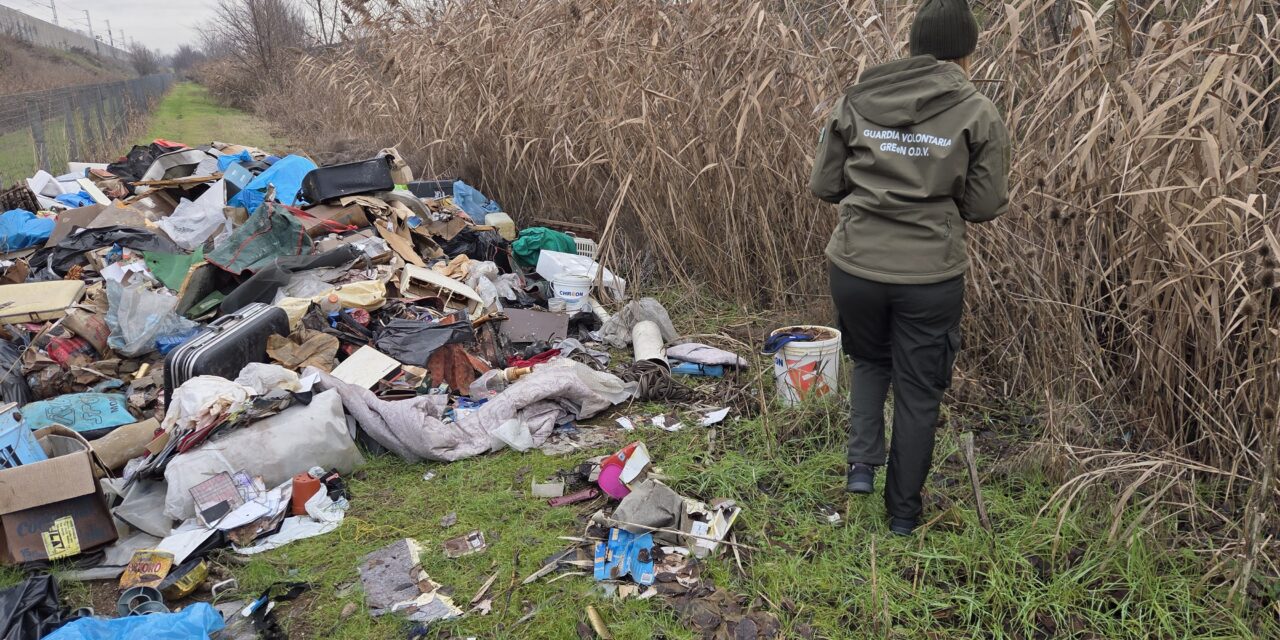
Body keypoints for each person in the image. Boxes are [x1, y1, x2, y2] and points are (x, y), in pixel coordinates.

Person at [808, 0, 1010, 535]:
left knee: (871, 361)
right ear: (967, 49)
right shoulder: (977, 110)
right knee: (920, 393)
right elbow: (986, 205)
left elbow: (825, 186)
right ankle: (902, 517)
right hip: (929, 276)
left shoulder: (859, 97)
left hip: (856, 266)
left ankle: (860, 467)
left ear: (915, 43)